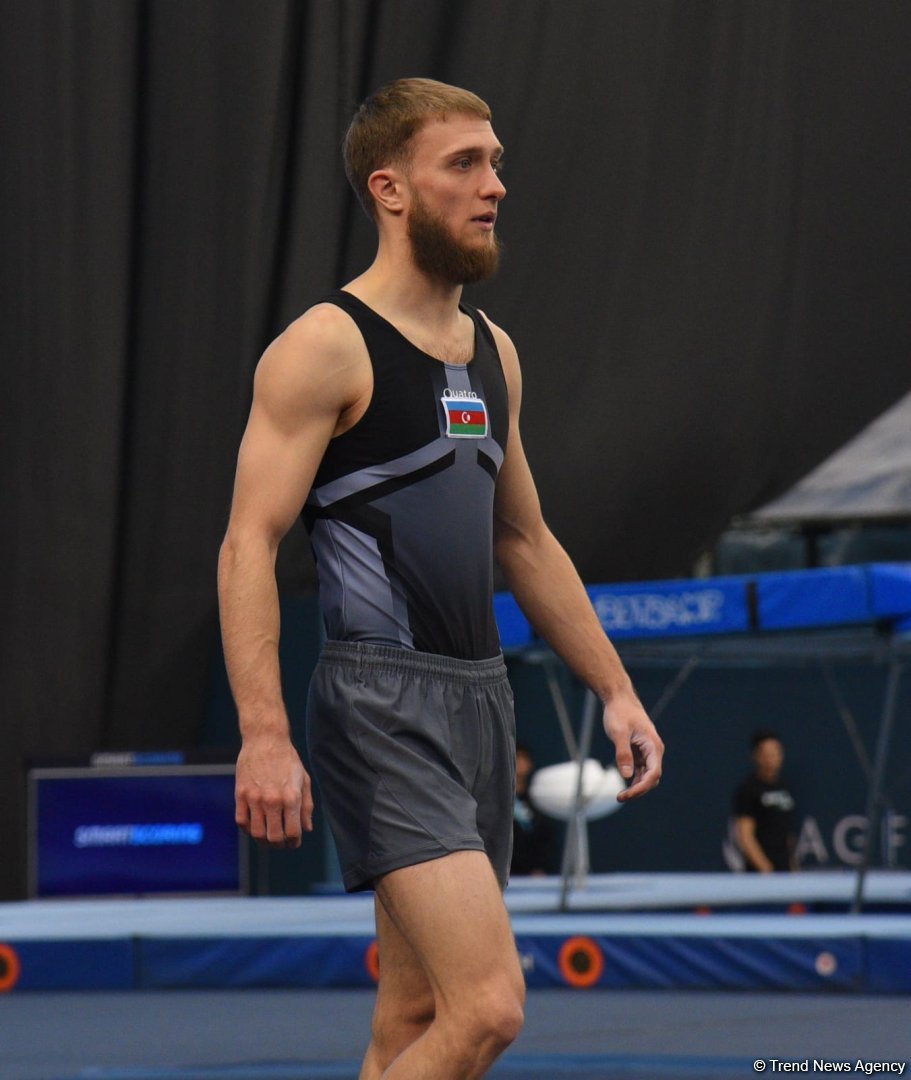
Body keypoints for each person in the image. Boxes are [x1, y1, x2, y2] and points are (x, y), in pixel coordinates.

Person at [218, 77, 664, 1080]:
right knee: (488, 1010)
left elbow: (525, 541)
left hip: (480, 699)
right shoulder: (324, 348)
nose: (493, 184)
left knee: (411, 1016)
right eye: (463, 164)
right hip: (381, 701)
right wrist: (261, 733)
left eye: (495, 161)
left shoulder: (492, 354)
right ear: (389, 189)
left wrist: (614, 687)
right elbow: (249, 540)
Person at [732, 729, 797, 873]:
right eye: (766, 754)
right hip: (760, 876)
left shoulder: (786, 788)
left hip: (785, 872)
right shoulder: (748, 790)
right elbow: (745, 836)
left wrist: (794, 872)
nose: (771, 758)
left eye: (775, 753)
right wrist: (766, 870)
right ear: (756, 756)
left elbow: (787, 836)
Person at [511, 743, 555, 877]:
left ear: (529, 764)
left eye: (522, 758)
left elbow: (546, 837)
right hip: (507, 873)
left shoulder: (540, 802)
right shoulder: (495, 803)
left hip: (534, 874)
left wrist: (540, 866)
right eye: (515, 758)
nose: (519, 763)